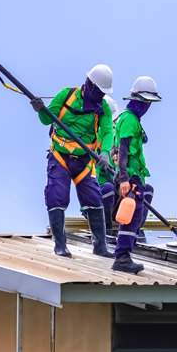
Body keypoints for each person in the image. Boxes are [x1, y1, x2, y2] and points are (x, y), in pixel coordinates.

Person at [33, 64, 116, 258]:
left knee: (94, 199)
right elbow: (47, 119)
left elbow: (107, 131)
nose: (101, 97)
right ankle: (60, 245)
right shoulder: (66, 95)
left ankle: (100, 245)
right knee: (57, 195)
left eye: (104, 94)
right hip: (60, 156)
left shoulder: (102, 108)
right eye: (99, 92)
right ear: (89, 85)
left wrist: (104, 152)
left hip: (84, 160)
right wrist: (40, 110)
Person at [112, 76, 161, 274]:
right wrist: (124, 178)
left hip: (134, 176)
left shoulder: (130, 120)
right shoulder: (130, 120)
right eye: (145, 102)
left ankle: (125, 255)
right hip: (130, 176)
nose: (147, 106)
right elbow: (123, 150)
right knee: (131, 217)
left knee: (135, 215)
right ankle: (122, 257)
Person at [98, 95, 121, 233]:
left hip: (116, 193)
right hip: (99, 192)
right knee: (107, 188)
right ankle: (106, 230)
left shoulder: (118, 137)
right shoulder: (96, 134)